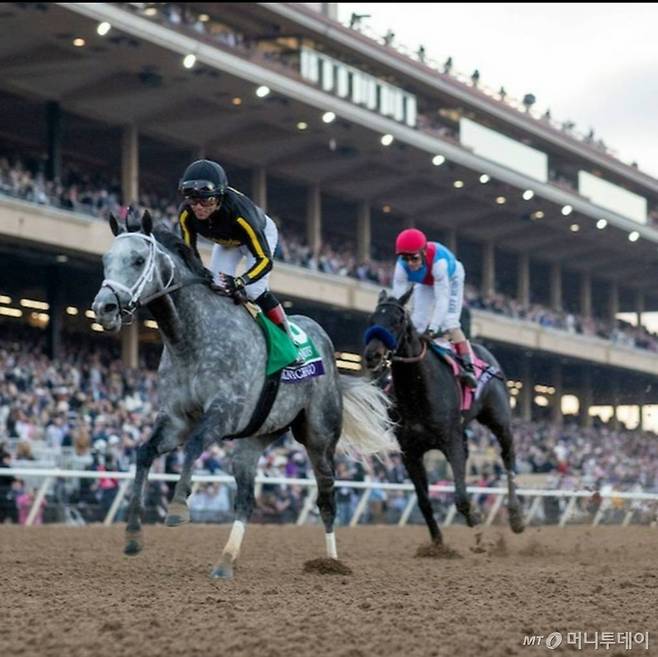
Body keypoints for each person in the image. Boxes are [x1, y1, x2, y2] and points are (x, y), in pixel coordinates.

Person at [176, 159, 300, 351]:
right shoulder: (186, 214)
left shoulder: (240, 215)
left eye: (205, 200)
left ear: (219, 197)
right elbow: (189, 253)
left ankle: (289, 341)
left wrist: (241, 281)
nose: (198, 207)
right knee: (216, 287)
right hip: (227, 242)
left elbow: (264, 260)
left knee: (254, 291)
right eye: (192, 200)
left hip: (257, 237)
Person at [392, 228, 477, 388]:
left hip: (451, 278)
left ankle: (468, 368)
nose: (410, 264)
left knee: (449, 322)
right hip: (426, 282)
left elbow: (442, 300)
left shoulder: (439, 263)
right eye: (405, 258)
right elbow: (398, 302)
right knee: (417, 323)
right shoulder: (401, 268)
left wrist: (433, 329)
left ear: (424, 253)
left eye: (414, 258)